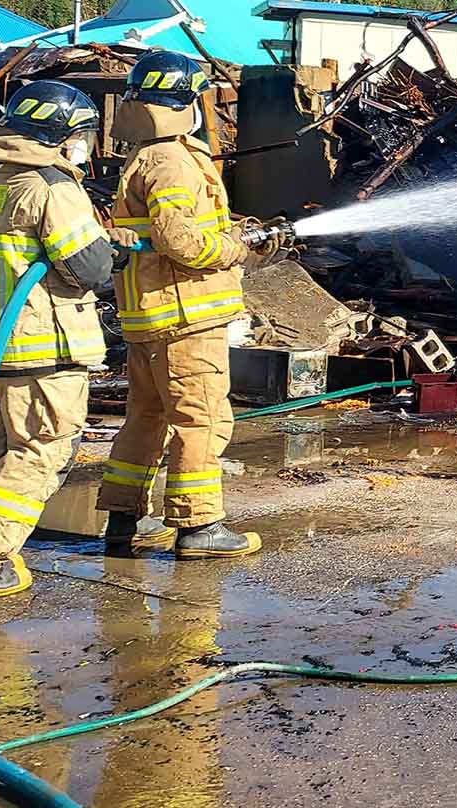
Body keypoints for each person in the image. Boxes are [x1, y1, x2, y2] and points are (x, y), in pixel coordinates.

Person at [0, 81, 123, 599]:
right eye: (84, 135)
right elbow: (87, 267)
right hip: (44, 346)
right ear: (63, 136)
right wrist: (113, 256)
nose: (86, 145)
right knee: (41, 451)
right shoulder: (53, 188)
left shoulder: (0, 183)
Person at [95, 50, 261, 559]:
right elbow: (181, 240)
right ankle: (200, 527)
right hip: (186, 317)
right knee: (202, 418)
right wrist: (239, 248)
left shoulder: (146, 154)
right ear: (187, 101)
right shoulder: (172, 162)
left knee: (147, 418)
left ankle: (126, 521)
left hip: (151, 317)